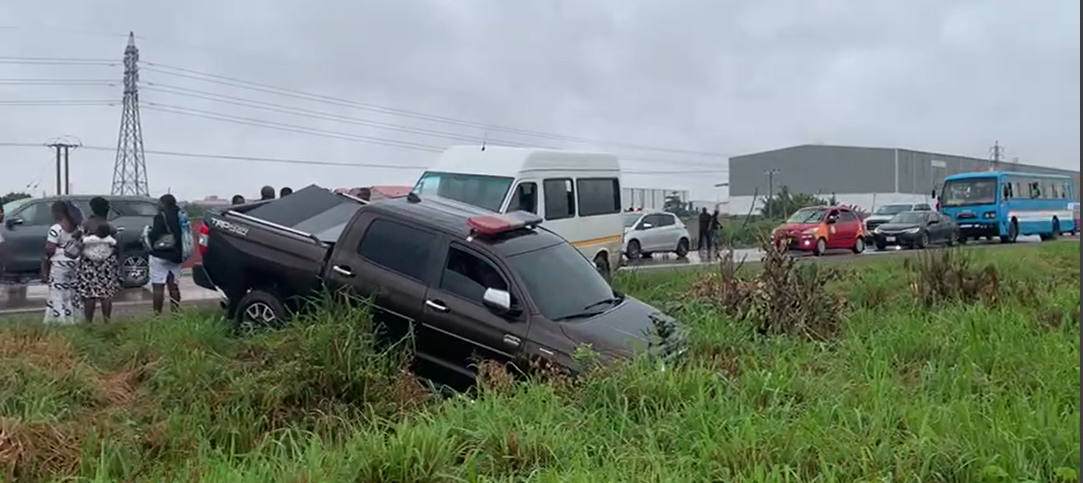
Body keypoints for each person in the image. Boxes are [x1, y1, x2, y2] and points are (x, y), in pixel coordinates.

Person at [76, 196, 120, 323]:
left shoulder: (85, 224)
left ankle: (88, 322)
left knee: (90, 295)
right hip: (106, 263)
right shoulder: (110, 227)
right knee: (106, 294)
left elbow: (76, 238)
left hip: (88, 263)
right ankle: (107, 321)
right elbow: (117, 245)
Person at [42, 201, 83, 324]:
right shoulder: (78, 228)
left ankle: (60, 321)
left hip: (59, 264)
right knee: (71, 293)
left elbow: (50, 248)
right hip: (74, 262)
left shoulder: (56, 229)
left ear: (58, 213)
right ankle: (74, 319)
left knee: (57, 293)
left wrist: (46, 259)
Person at [147, 194, 183, 315]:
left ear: (163, 203)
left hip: (160, 254)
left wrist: (149, 236)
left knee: (158, 286)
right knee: (173, 286)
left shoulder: (160, 217)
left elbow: (155, 234)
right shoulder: (181, 216)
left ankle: (157, 316)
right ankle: (176, 314)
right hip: (176, 255)